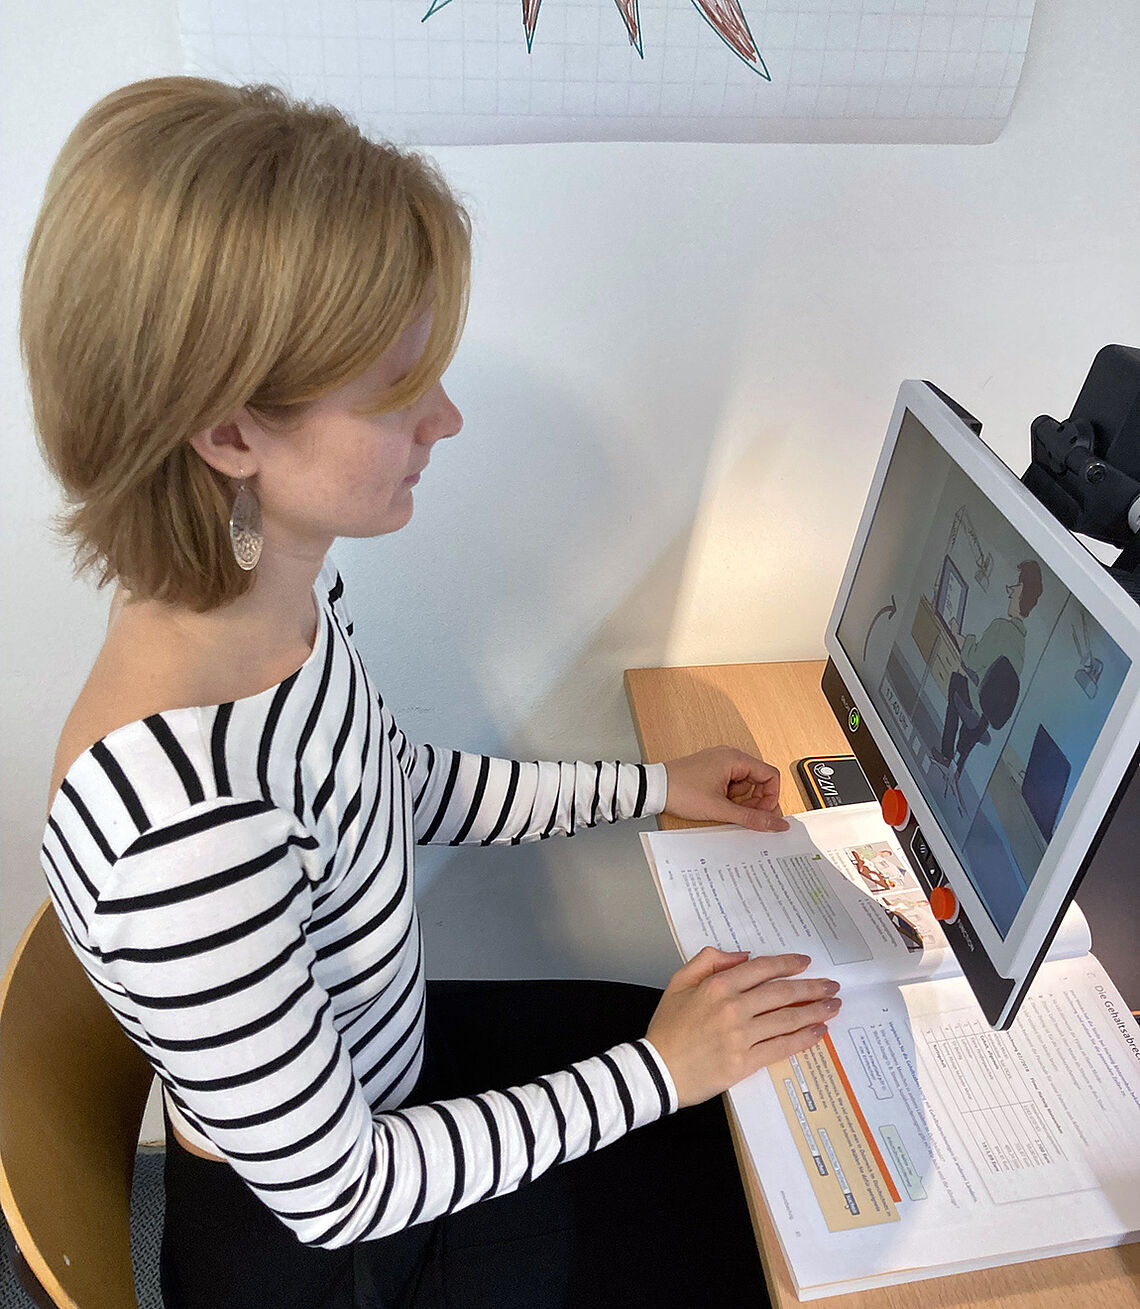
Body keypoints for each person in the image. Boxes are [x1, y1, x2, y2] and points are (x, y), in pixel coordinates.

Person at [23, 76, 842, 1309]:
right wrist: (661, 1071)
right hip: (342, 1250)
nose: (446, 419)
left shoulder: (272, 609)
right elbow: (338, 1186)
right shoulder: (174, 828)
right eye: (401, 388)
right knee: (758, 1222)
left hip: (391, 1072)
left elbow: (388, 784)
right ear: (229, 434)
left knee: (742, 1103)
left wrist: (646, 785)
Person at [932, 560, 1043, 776]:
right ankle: (960, 759)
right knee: (972, 692)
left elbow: (974, 659)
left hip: (977, 701)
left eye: (1015, 589)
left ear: (1022, 597)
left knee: (957, 681)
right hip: (987, 716)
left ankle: (946, 755)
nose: (1010, 594)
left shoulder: (1001, 627)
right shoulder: (1021, 644)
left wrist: (958, 636)